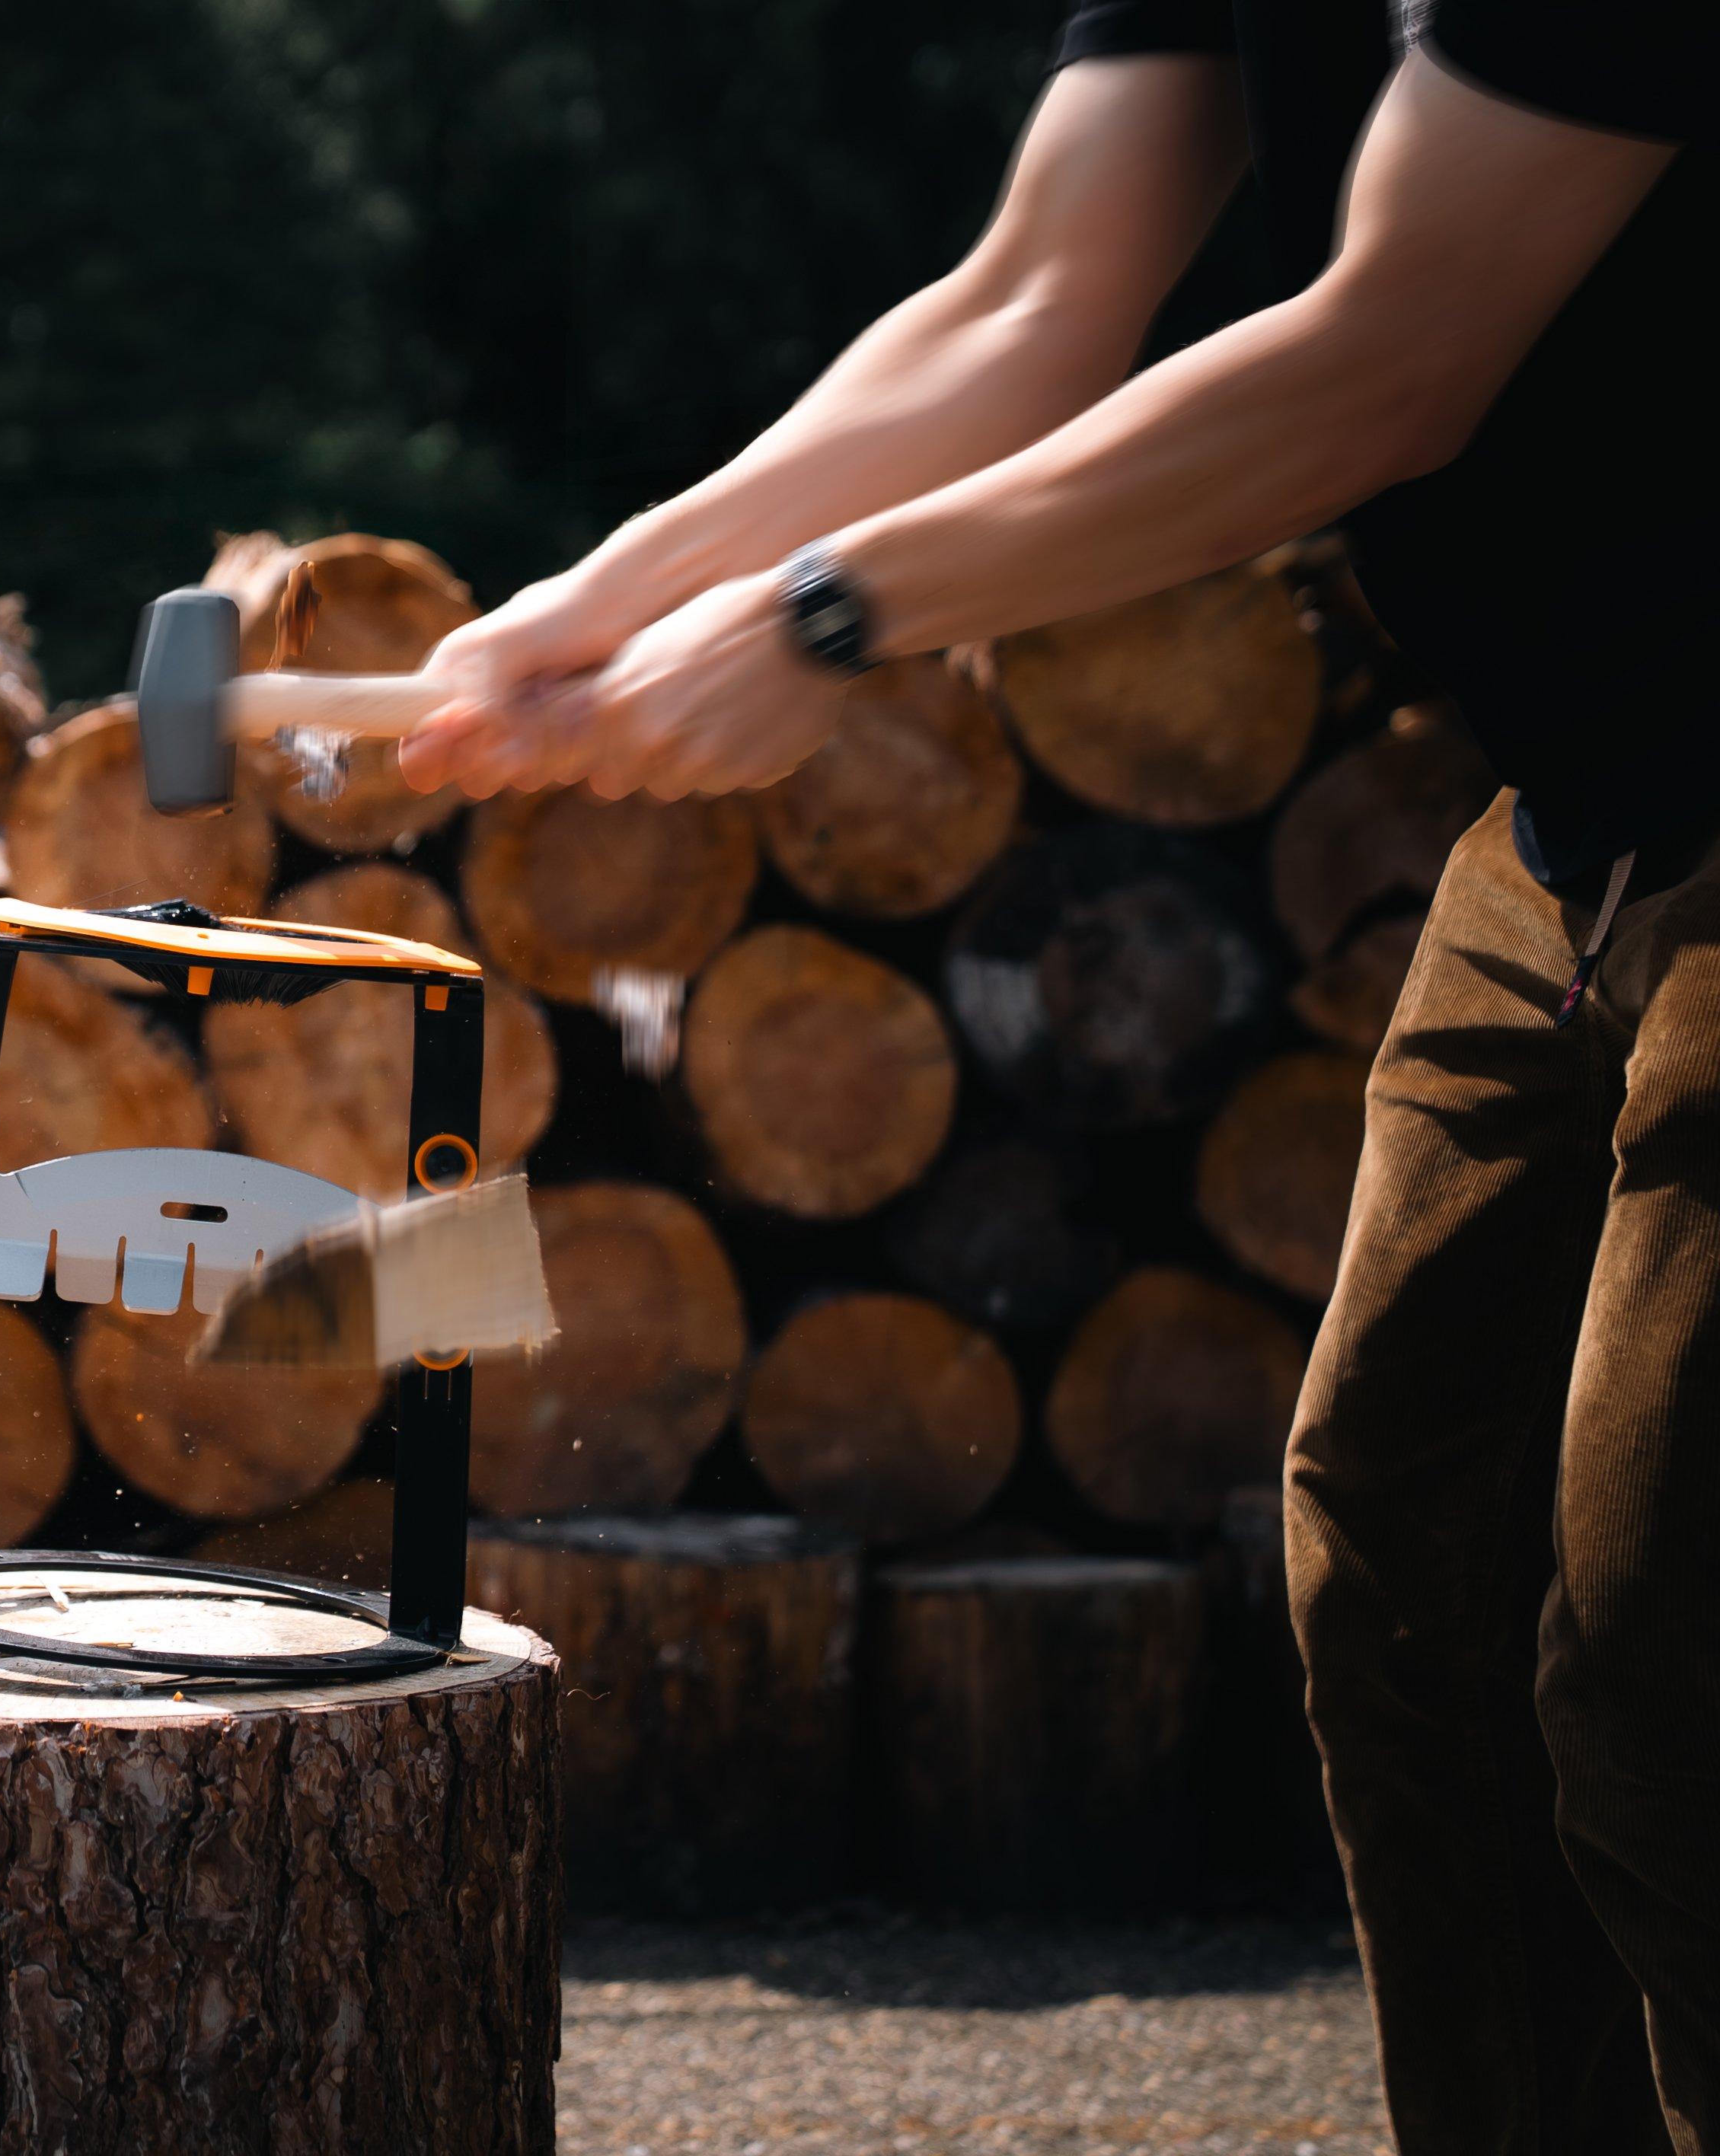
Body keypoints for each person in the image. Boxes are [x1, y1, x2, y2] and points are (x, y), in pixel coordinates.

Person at [397, 8, 1712, 2151]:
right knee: (1411, 1606)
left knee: (1672, 1670)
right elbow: (1028, 294)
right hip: (1572, 821)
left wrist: (832, 619)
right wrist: (618, 594)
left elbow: (1394, 355)